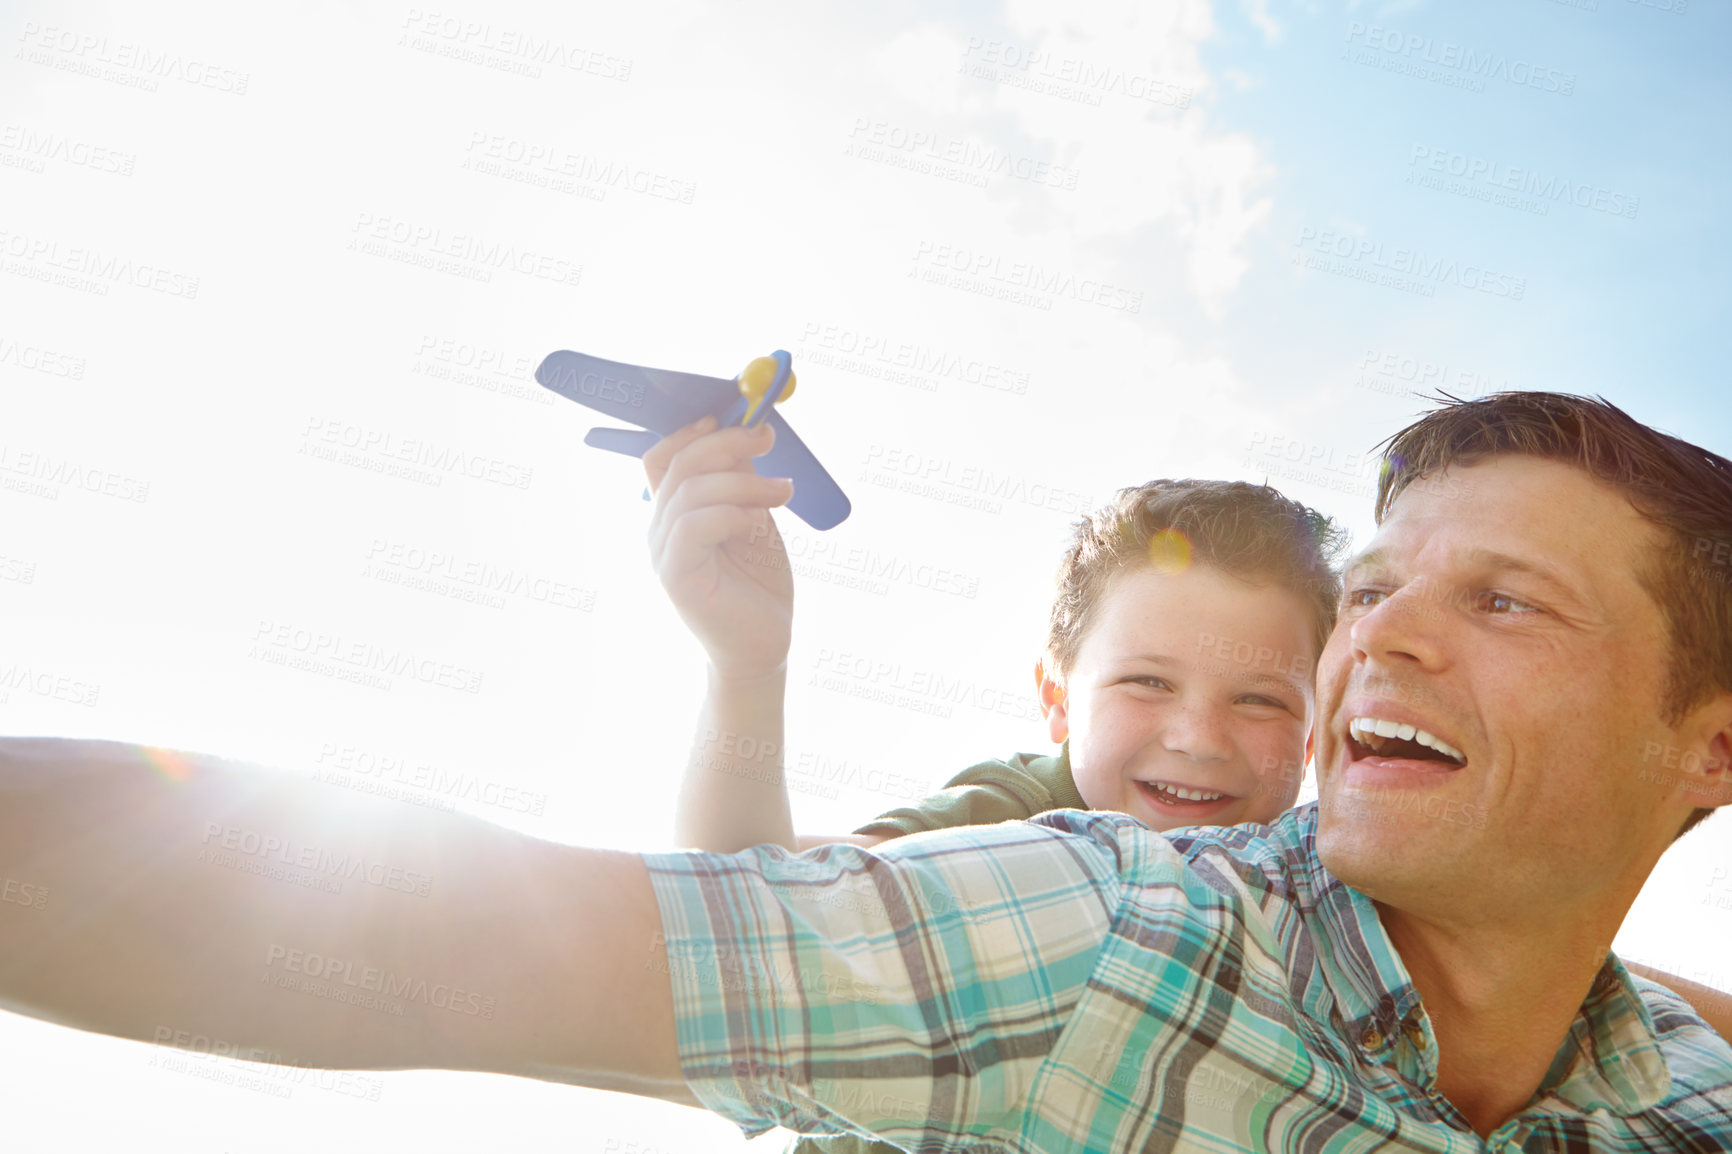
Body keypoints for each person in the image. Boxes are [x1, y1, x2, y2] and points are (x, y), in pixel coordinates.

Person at [1, 392, 1729, 1151]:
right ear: (1056, 691)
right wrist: (744, 660)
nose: (1389, 640)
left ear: (1701, 748)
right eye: (1376, 594)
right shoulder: (1077, 908)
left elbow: (1614, 991)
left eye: (1502, 600)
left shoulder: (1651, 1071)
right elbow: (716, 924)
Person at [645, 415, 1732, 1152]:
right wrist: (747, 668)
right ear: (1058, 698)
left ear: (1318, 717)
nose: (1197, 739)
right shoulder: (1019, 829)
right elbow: (759, 916)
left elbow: (1553, 962)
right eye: (1146, 682)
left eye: (1260, 701)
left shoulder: (1328, 880)